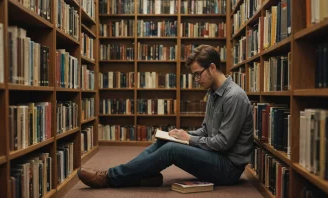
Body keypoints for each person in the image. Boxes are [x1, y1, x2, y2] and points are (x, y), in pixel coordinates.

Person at [77, 44, 254, 188]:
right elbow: (207, 130)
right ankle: (135, 174)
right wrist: (182, 135)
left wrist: (189, 139)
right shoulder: (213, 92)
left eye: (197, 74)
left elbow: (223, 143)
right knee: (166, 141)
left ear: (212, 68)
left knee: (172, 150)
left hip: (228, 168)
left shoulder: (234, 97)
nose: (196, 80)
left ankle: (109, 178)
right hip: (216, 156)